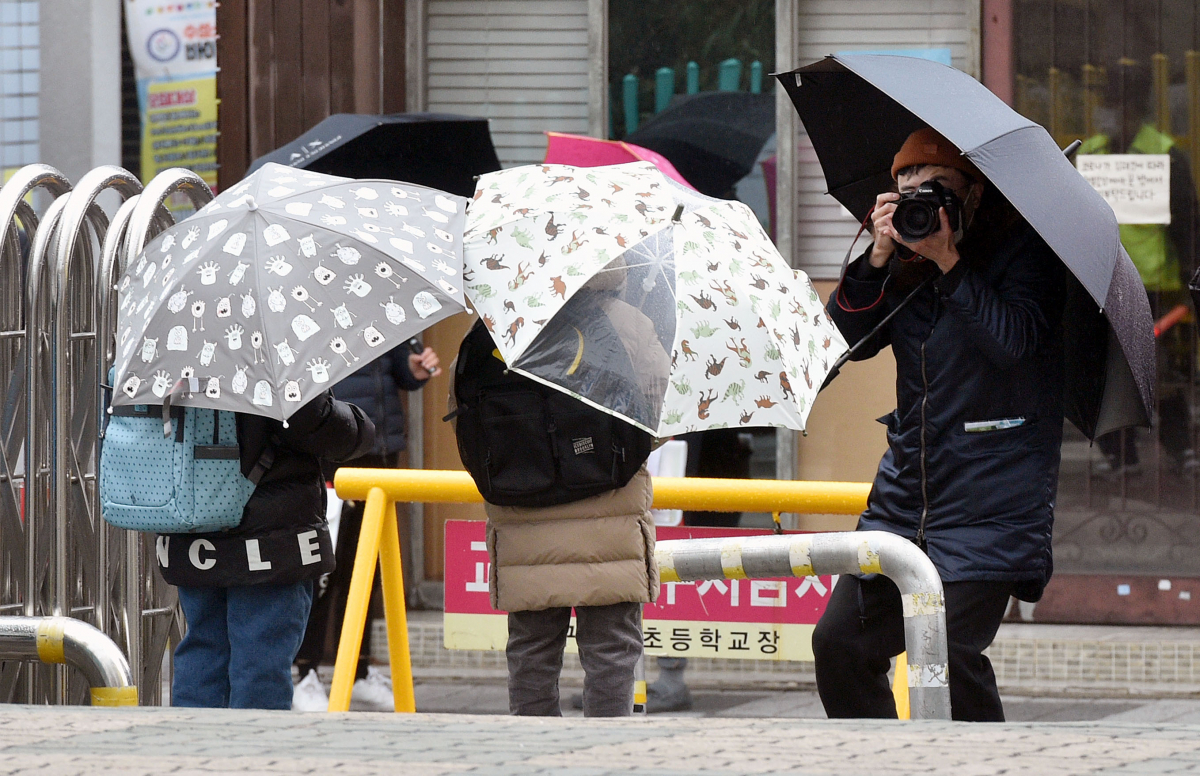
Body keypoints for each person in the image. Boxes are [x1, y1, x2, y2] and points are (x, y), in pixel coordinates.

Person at [813, 127, 1066, 722]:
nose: (919, 202)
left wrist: (950, 263)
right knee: (839, 643)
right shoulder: (899, 264)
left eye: (936, 190)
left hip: (993, 501)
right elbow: (840, 345)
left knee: (946, 653)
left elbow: (1014, 341)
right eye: (906, 192)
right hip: (905, 499)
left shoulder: (1025, 253)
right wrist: (877, 255)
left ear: (973, 197)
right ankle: (875, 764)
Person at [454, 262, 666, 717]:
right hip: (609, 514)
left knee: (531, 649)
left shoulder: (495, 328)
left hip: (523, 515)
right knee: (611, 649)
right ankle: (607, 760)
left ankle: (533, 759)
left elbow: (465, 420)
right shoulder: (628, 323)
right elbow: (661, 414)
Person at [161, 391, 375, 710]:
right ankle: (254, 756)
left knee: (203, 652)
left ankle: (193, 752)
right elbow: (312, 421)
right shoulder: (270, 344)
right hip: (270, 534)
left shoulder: (170, 347)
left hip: (193, 520)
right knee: (261, 664)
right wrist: (361, 426)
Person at [292, 341, 440, 712]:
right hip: (335, 444)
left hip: (378, 442)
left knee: (366, 569)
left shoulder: (380, 295)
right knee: (325, 566)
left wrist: (414, 367)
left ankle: (356, 671)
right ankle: (304, 672)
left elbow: (396, 370)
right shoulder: (313, 297)